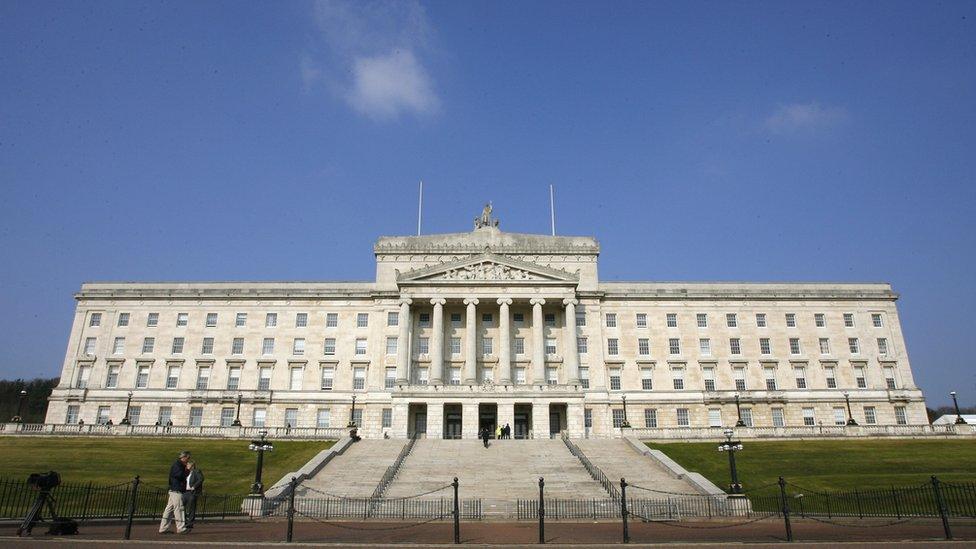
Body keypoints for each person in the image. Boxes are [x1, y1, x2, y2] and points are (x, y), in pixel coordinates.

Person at [159, 451, 190, 534]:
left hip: (174, 489)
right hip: (176, 490)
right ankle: (181, 528)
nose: (188, 460)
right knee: (179, 508)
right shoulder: (177, 465)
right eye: (188, 458)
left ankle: (163, 528)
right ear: (183, 457)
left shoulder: (178, 465)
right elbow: (179, 475)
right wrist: (187, 470)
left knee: (169, 510)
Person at [183, 461, 204, 530]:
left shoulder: (196, 471)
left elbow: (201, 479)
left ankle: (190, 523)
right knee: (181, 506)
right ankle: (184, 521)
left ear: (192, 465)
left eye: (188, 464)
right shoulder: (187, 472)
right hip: (185, 492)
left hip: (192, 492)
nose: (187, 465)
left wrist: (194, 486)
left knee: (191, 508)